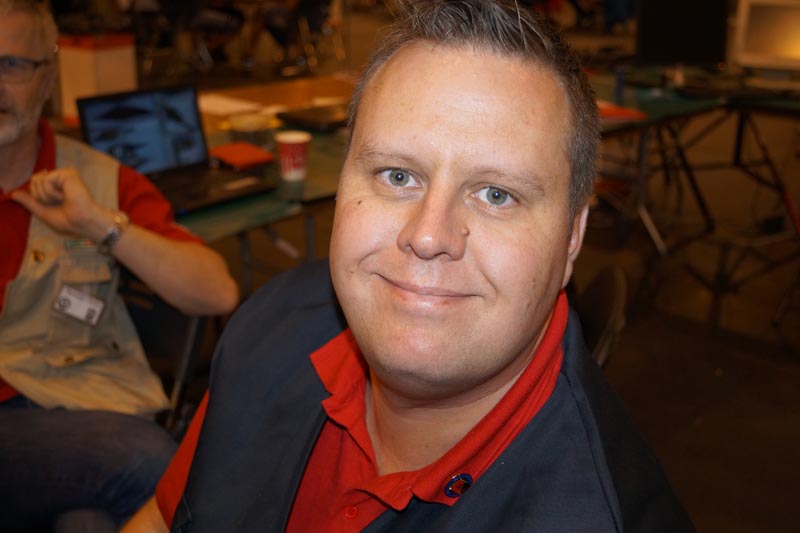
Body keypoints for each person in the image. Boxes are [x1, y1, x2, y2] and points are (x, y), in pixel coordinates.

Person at [125, 0, 694, 531]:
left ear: (572, 237)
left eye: (496, 194)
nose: (426, 236)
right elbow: (164, 515)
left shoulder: (598, 514)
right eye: (398, 176)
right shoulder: (269, 325)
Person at [0, 1, 239, 531]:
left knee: (89, 520)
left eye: (11, 65)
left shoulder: (98, 181)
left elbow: (216, 292)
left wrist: (99, 225)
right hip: (75, 436)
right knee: (145, 460)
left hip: (72, 411)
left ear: (48, 79)